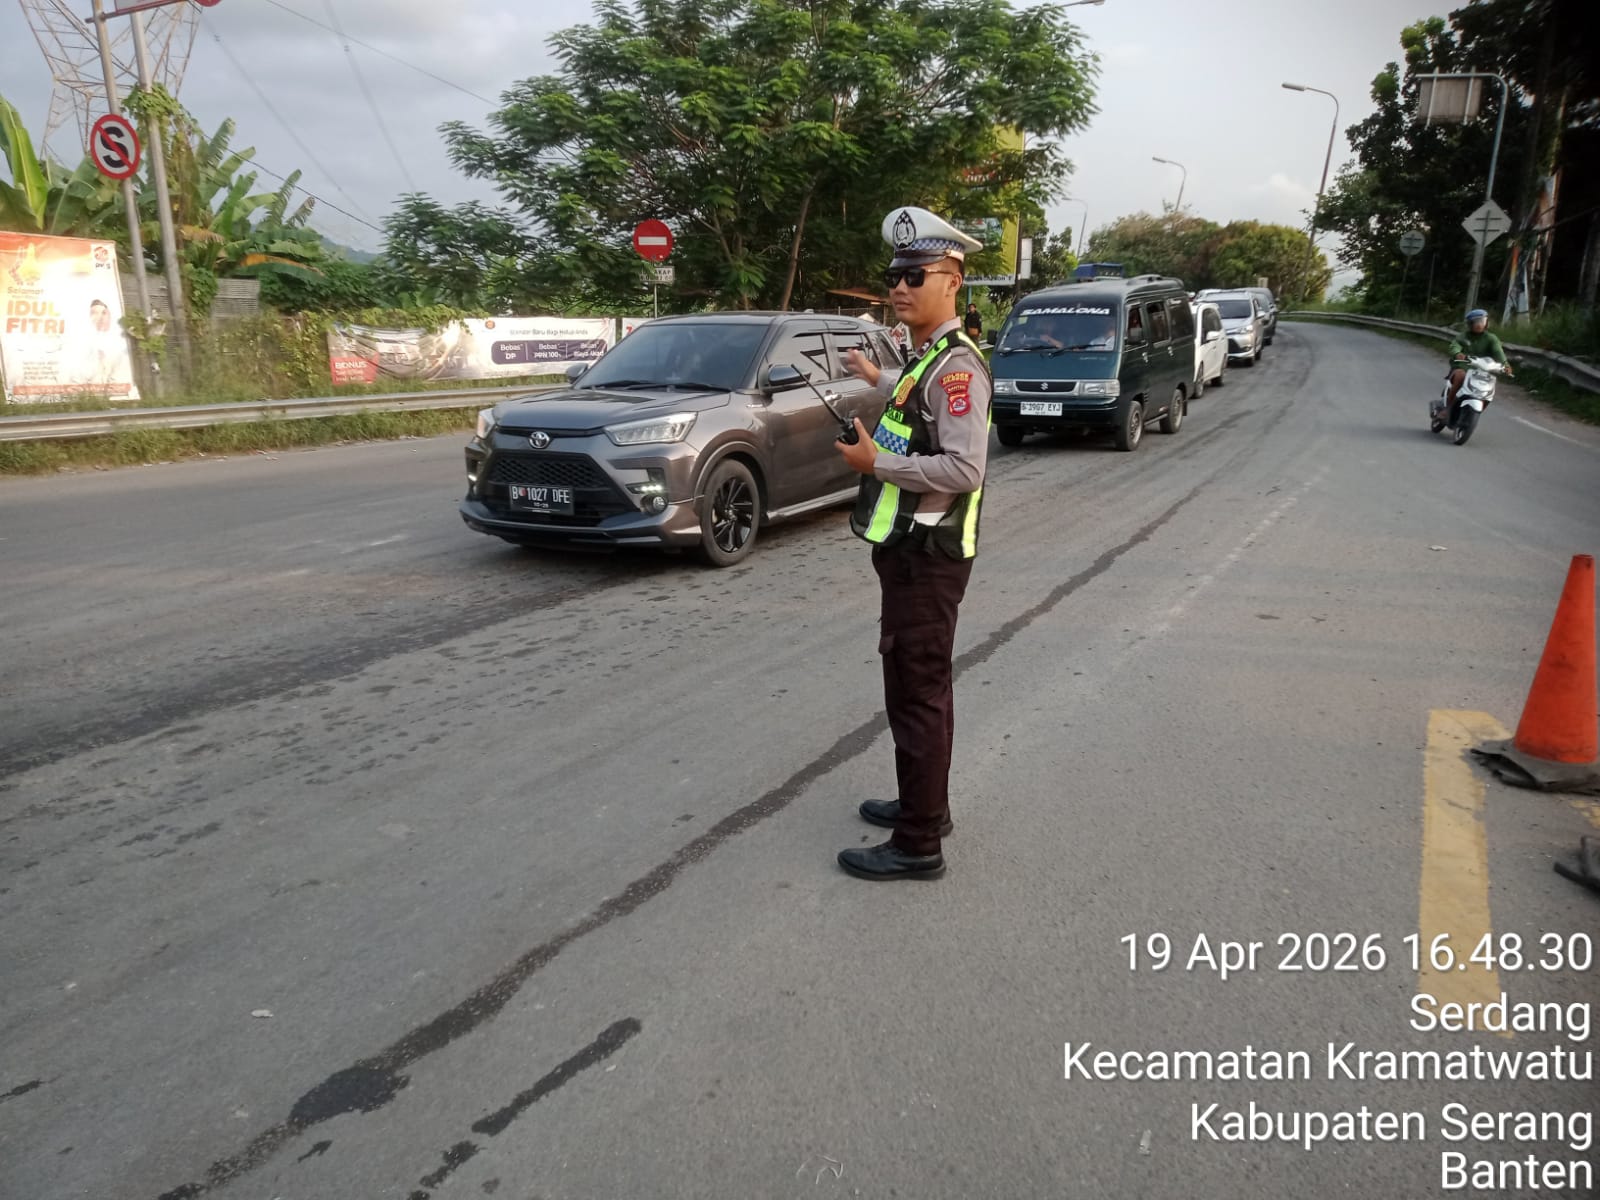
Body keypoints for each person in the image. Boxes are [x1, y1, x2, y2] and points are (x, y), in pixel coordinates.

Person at [834, 206, 991, 882]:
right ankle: (925, 805)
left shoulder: (956, 370)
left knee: (917, 693)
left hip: (927, 558)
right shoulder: (927, 357)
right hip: (909, 553)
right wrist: (874, 377)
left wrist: (877, 464)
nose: (899, 287)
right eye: (894, 276)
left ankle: (918, 843)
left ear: (952, 282)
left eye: (915, 275)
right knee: (918, 689)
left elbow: (964, 468)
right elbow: (912, 407)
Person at [1444, 308, 1512, 426]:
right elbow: (1454, 346)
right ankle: (1447, 409)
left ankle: (1474, 413)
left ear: (1487, 322)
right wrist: (1458, 353)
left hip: (1482, 371)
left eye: (1482, 321)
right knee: (1460, 377)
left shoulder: (1491, 338)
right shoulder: (1463, 336)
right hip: (1462, 367)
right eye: (1476, 322)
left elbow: (1498, 352)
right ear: (1470, 324)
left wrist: (1505, 364)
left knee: (1489, 388)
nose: (1479, 324)